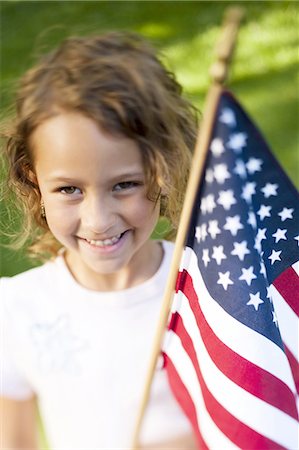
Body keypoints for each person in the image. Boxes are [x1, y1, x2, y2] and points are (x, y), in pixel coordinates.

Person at [0, 31, 199, 449]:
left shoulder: (208, 295)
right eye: (69, 190)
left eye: (124, 184)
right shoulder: (17, 309)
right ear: (33, 181)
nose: (98, 221)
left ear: (163, 170)